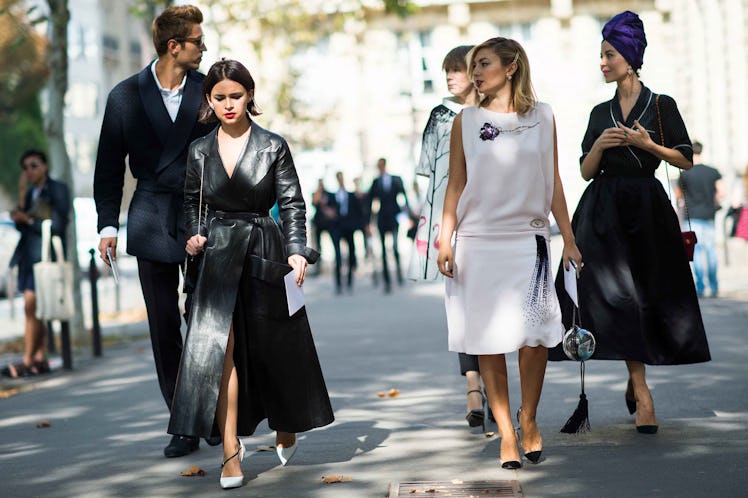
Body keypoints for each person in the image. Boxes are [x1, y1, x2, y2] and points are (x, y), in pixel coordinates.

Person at [167, 59, 334, 490]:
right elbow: (192, 204)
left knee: (273, 345)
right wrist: (195, 235)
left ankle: (286, 422)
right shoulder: (199, 150)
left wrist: (297, 252)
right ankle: (229, 449)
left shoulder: (272, 145)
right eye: (219, 97)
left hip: (263, 246)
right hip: (216, 257)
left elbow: (293, 203)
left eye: (235, 96)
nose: (228, 104)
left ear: (249, 95)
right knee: (218, 349)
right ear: (208, 99)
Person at [549, 11, 711, 434]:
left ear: (630, 57)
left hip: (647, 209)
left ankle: (633, 374)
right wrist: (601, 145)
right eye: (601, 55)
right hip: (602, 213)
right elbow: (585, 171)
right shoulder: (599, 112)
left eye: (609, 54)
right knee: (616, 298)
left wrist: (648, 144)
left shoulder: (661, 105)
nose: (602, 62)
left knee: (647, 296)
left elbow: (685, 160)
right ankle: (642, 392)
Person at [437, 38, 582, 469]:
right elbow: (456, 184)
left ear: (512, 66)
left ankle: (529, 417)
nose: (475, 73)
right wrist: (446, 238)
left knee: (535, 338)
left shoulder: (543, 116)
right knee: (489, 340)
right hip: (479, 242)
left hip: (530, 239)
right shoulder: (465, 120)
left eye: (483, 64)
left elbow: (553, 179)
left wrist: (569, 238)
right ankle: (505, 431)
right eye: (472, 66)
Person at [93, 5, 218, 458]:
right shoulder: (124, 96)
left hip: (205, 214)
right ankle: (183, 422)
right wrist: (108, 225)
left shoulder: (209, 90)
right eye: (198, 42)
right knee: (164, 325)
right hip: (149, 217)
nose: (204, 48)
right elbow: (108, 167)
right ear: (174, 46)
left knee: (204, 321)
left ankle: (204, 411)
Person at [405, 45, 489, 429]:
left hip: (490, 217)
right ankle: (474, 384)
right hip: (449, 219)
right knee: (460, 306)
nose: (450, 78)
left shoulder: (495, 113)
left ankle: (494, 385)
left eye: (456, 70)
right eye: (447, 72)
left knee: (491, 305)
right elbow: (429, 172)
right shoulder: (439, 115)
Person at [2, 150, 70, 378]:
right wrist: (21, 200)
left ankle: (28, 359)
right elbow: (23, 227)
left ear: (44, 166)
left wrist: (29, 220)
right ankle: (39, 358)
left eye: (33, 165)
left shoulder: (57, 189)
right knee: (35, 309)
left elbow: (59, 225)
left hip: (46, 257)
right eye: (26, 167)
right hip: (28, 257)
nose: (29, 171)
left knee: (32, 307)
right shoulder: (30, 192)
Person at [677, 141, 725, 297]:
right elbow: (721, 192)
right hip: (709, 216)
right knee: (711, 251)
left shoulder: (684, 174)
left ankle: (700, 288)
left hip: (693, 217)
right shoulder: (713, 172)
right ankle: (714, 286)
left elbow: (679, 197)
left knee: (696, 252)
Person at [368, 158, 409, 293]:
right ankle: (387, 280)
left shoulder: (396, 179)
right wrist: (369, 221)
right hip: (382, 218)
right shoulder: (375, 182)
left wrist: (407, 215)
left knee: (395, 247)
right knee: (384, 250)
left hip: (394, 217)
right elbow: (370, 202)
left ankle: (399, 275)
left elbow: (404, 198)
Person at [330, 171, 361, 294]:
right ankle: (338, 284)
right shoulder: (332, 196)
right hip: (337, 227)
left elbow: (358, 211)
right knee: (338, 256)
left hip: (349, 227)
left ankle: (349, 281)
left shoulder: (351, 195)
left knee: (351, 254)